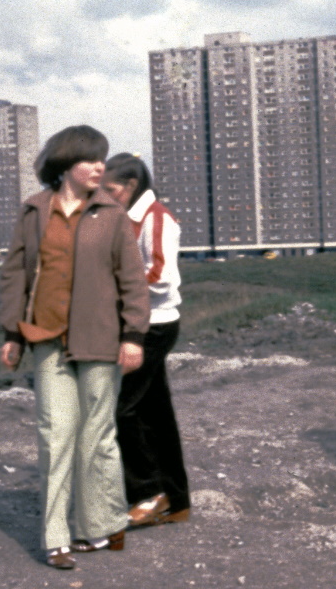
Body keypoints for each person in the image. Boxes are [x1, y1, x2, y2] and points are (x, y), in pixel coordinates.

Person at [0, 126, 150, 571]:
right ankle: (55, 538)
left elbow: (133, 280)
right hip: (46, 338)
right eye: (91, 159)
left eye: (103, 160)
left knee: (96, 437)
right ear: (66, 165)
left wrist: (134, 336)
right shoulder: (33, 212)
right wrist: (12, 334)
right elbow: (14, 276)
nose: (101, 167)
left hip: (102, 341)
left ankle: (99, 527)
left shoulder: (113, 214)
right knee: (55, 435)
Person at [100, 153, 191, 528]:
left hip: (153, 325)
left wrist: (112, 287)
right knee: (156, 413)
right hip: (140, 322)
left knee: (120, 409)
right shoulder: (128, 218)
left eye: (111, 189)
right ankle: (175, 499)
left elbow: (162, 274)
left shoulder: (157, 217)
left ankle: (147, 493)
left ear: (131, 186)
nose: (104, 196)